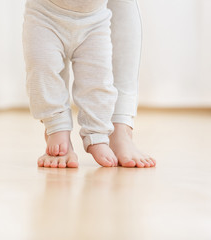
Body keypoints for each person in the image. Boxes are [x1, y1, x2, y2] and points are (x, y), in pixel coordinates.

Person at [23, 0, 156, 168]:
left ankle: (100, 134)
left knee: (98, 78)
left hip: (95, 19)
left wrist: (97, 133)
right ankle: (56, 129)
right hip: (45, 14)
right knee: (43, 69)